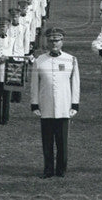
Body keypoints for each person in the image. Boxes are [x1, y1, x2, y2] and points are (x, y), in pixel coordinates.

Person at [30, 28, 80, 178]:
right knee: (47, 141)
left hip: (64, 106)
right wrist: (34, 104)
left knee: (62, 141)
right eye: (51, 40)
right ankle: (48, 169)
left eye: (57, 40)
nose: (54, 43)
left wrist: (74, 104)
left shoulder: (71, 59)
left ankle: (61, 169)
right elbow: (34, 85)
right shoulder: (39, 60)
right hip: (46, 106)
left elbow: (75, 83)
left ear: (62, 41)